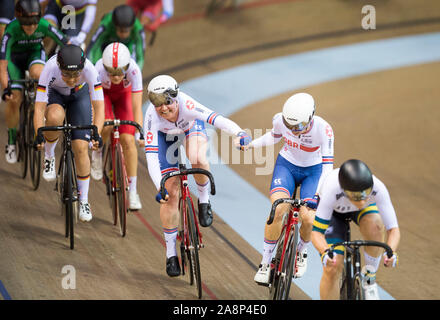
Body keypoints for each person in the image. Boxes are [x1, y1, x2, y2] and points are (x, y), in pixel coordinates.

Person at [144, 74, 251, 276]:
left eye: (167, 102)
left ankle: (204, 200)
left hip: (189, 128)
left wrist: (239, 133)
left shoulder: (188, 105)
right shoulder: (151, 116)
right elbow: (151, 157)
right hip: (163, 138)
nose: (163, 108)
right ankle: (170, 254)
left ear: (175, 97)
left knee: (197, 158)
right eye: (157, 104)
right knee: (171, 192)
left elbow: (217, 119)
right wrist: (160, 185)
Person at [247, 92, 334, 284]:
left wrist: (318, 195)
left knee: (309, 218)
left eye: (299, 126)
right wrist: (251, 145)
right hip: (286, 165)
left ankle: (301, 253)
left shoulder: (324, 129)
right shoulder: (280, 120)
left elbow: (328, 167)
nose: (294, 130)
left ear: (311, 117)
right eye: (289, 125)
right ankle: (265, 263)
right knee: (278, 209)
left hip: (314, 171)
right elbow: (273, 137)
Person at [33, 44, 104, 222]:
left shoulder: (90, 69)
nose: (72, 79)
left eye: (75, 75)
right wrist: (38, 134)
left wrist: (97, 134)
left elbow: (99, 106)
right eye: (66, 74)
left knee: (80, 147)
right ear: (59, 67)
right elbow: (40, 107)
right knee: (55, 117)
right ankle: (49, 157)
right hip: (55, 94)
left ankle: (84, 201)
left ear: (82, 68)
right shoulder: (49, 68)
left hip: (79, 97)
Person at [311, 159, 400, 300]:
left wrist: (391, 252)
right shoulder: (331, 189)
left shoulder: (378, 187)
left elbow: (393, 229)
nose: (362, 201)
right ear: (344, 190)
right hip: (333, 214)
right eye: (357, 196)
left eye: (366, 194)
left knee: (376, 226)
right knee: (332, 268)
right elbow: (316, 233)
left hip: (360, 212)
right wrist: (325, 252)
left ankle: (369, 277)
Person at [1, 0, 68, 164]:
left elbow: (66, 42)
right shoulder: (10, 30)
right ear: (19, 19)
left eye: (34, 23)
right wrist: (6, 88)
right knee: (14, 98)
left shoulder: (44, 24)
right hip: (14, 60)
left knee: (39, 73)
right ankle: (11, 140)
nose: (31, 27)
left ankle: (37, 103)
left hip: (34, 55)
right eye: (26, 24)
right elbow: (2, 65)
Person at [91, 42, 144, 210]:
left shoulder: (134, 70)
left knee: (128, 140)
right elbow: (95, 107)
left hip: (124, 97)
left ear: (127, 67)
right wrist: (95, 134)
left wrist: (139, 133)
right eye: (111, 72)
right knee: (105, 125)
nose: (115, 76)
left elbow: (137, 106)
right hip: (103, 96)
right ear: (105, 67)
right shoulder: (97, 69)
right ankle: (98, 154)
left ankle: (133, 192)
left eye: (120, 72)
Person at [86, 4, 146, 69]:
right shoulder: (106, 24)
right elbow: (93, 48)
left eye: (126, 31)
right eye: (120, 30)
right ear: (114, 26)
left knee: (132, 65)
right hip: (107, 46)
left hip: (127, 48)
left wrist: (135, 73)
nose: (123, 35)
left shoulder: (138, 29)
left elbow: (140, 57)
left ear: (132, 27)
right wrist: (93, 68)